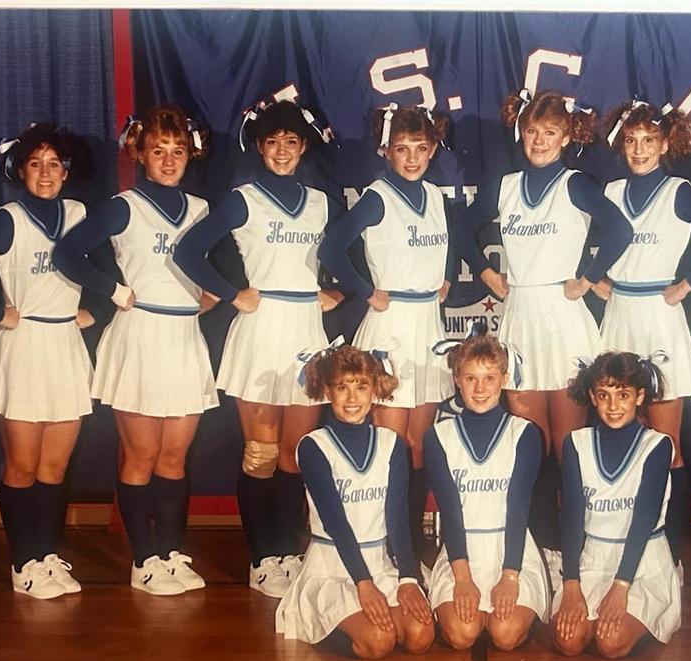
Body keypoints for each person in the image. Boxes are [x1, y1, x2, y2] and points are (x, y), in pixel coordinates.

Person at [174, 99, 341, 597]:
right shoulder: (243, 198)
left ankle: (290, 550)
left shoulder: (321, 201)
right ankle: (263, 556)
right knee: (261, 451)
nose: (283, 151)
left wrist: (340, 292)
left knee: (297, 452)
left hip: (306, 331)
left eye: (291, 142)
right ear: (260, 147)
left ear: (303, 146)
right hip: (261, 326)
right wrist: (232, 292)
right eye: (273, 143)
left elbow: (350, 254)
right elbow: (189, 250)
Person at [459, 89, 634, 560]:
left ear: (566, 136)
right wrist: (485, 271)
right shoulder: (507, 185)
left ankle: (576, 547)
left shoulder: (574, 184)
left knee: (570, 444)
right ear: (522, 132)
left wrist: (588, 278)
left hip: (563, 317)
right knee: (528, 444)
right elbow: (461, 230)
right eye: (532, 131)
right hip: (520, 315)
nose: (539, 141)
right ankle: (539, 549)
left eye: (550, 132)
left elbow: (621, 231)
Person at [53, 104, 214, 596]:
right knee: (141, 456)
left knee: (175, 459)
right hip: (140, 338)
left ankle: (170, 552)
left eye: (178, 151)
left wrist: (209, 296)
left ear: (190, 155)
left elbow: (206, 272)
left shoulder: (203, 209)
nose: (169, 160)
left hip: (184, 339)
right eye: (158, 151)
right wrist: (113, 290)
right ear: (139, 154)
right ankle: (143, 561)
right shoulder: (125, 206)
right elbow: (66, 252)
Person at [597, 99, 691, 574]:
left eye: (649, 140)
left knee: (666, 444)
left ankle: (670, 556)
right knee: (618, 435)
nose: (639, 149)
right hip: (620, 313)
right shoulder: (613, 189)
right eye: (631, 141)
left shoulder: (679, 190)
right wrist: (597, 281)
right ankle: (622, 546)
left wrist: (686, 285)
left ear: (665, 143)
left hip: (660, 318)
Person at [0, 123, 93, 599]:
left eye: (54, 164)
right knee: (22, 465)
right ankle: (24, 563)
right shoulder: (8, 218)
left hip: (64, 344)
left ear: (66, 170)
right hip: (23, 345)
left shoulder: (78, 213)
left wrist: (90, 306)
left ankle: (48, 554)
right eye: (35, 164)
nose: (46, 172)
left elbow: (105, 265)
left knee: (55, 467)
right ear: (19, 170)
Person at [317, 104, 454, 553]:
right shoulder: (378, 196)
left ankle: (410, 541)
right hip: (391, 325)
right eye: (402, 148)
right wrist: (364, 290)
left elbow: (446, 246)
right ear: (385, 150)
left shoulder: (435, 195)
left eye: (420, 148)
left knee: (418, 444)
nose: (411, 157)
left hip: (428, 327)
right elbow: (333, 247)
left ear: (432, 149)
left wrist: (447, 274)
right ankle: (385, 542)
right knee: (391, 444)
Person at [276, 344, 434, 660]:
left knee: (420, 637)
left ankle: (374, 609)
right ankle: (327, 623)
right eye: (342, 388)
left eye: (361, 387)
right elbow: (335, 522)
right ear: (326, 390)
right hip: (332, 566)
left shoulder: (391, 443)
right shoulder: (313, 446)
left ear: (375, 389)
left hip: (379, 562)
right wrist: (363, 584)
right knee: (378, 642)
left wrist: (407, 578)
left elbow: (397, 519)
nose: (352, 399)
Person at [424, 331, 548, 651]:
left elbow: (519, 510)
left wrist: (509, 578)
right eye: (471, 378)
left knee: (505, 635)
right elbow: (450, 512)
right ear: (457, 380)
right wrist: (463, 581)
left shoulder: (525, 433)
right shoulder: (438, 436)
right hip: (460, 552)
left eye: (489, 378)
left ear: (504, 379)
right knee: (462, 635)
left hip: (511, 550)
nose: (480, 389)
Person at [553, 352, 680, 658]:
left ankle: (652, 610)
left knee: (610, 643)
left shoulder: (658, 445)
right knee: (569, 642)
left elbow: (643, 522)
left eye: (623, 395)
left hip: (642, 562)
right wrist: (571, 585)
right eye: (603, 395)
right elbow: (571, 519)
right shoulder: (576, 443)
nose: (613, 406)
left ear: (639, 396)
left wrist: (621, 588)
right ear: (592, 397)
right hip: (592, 560)